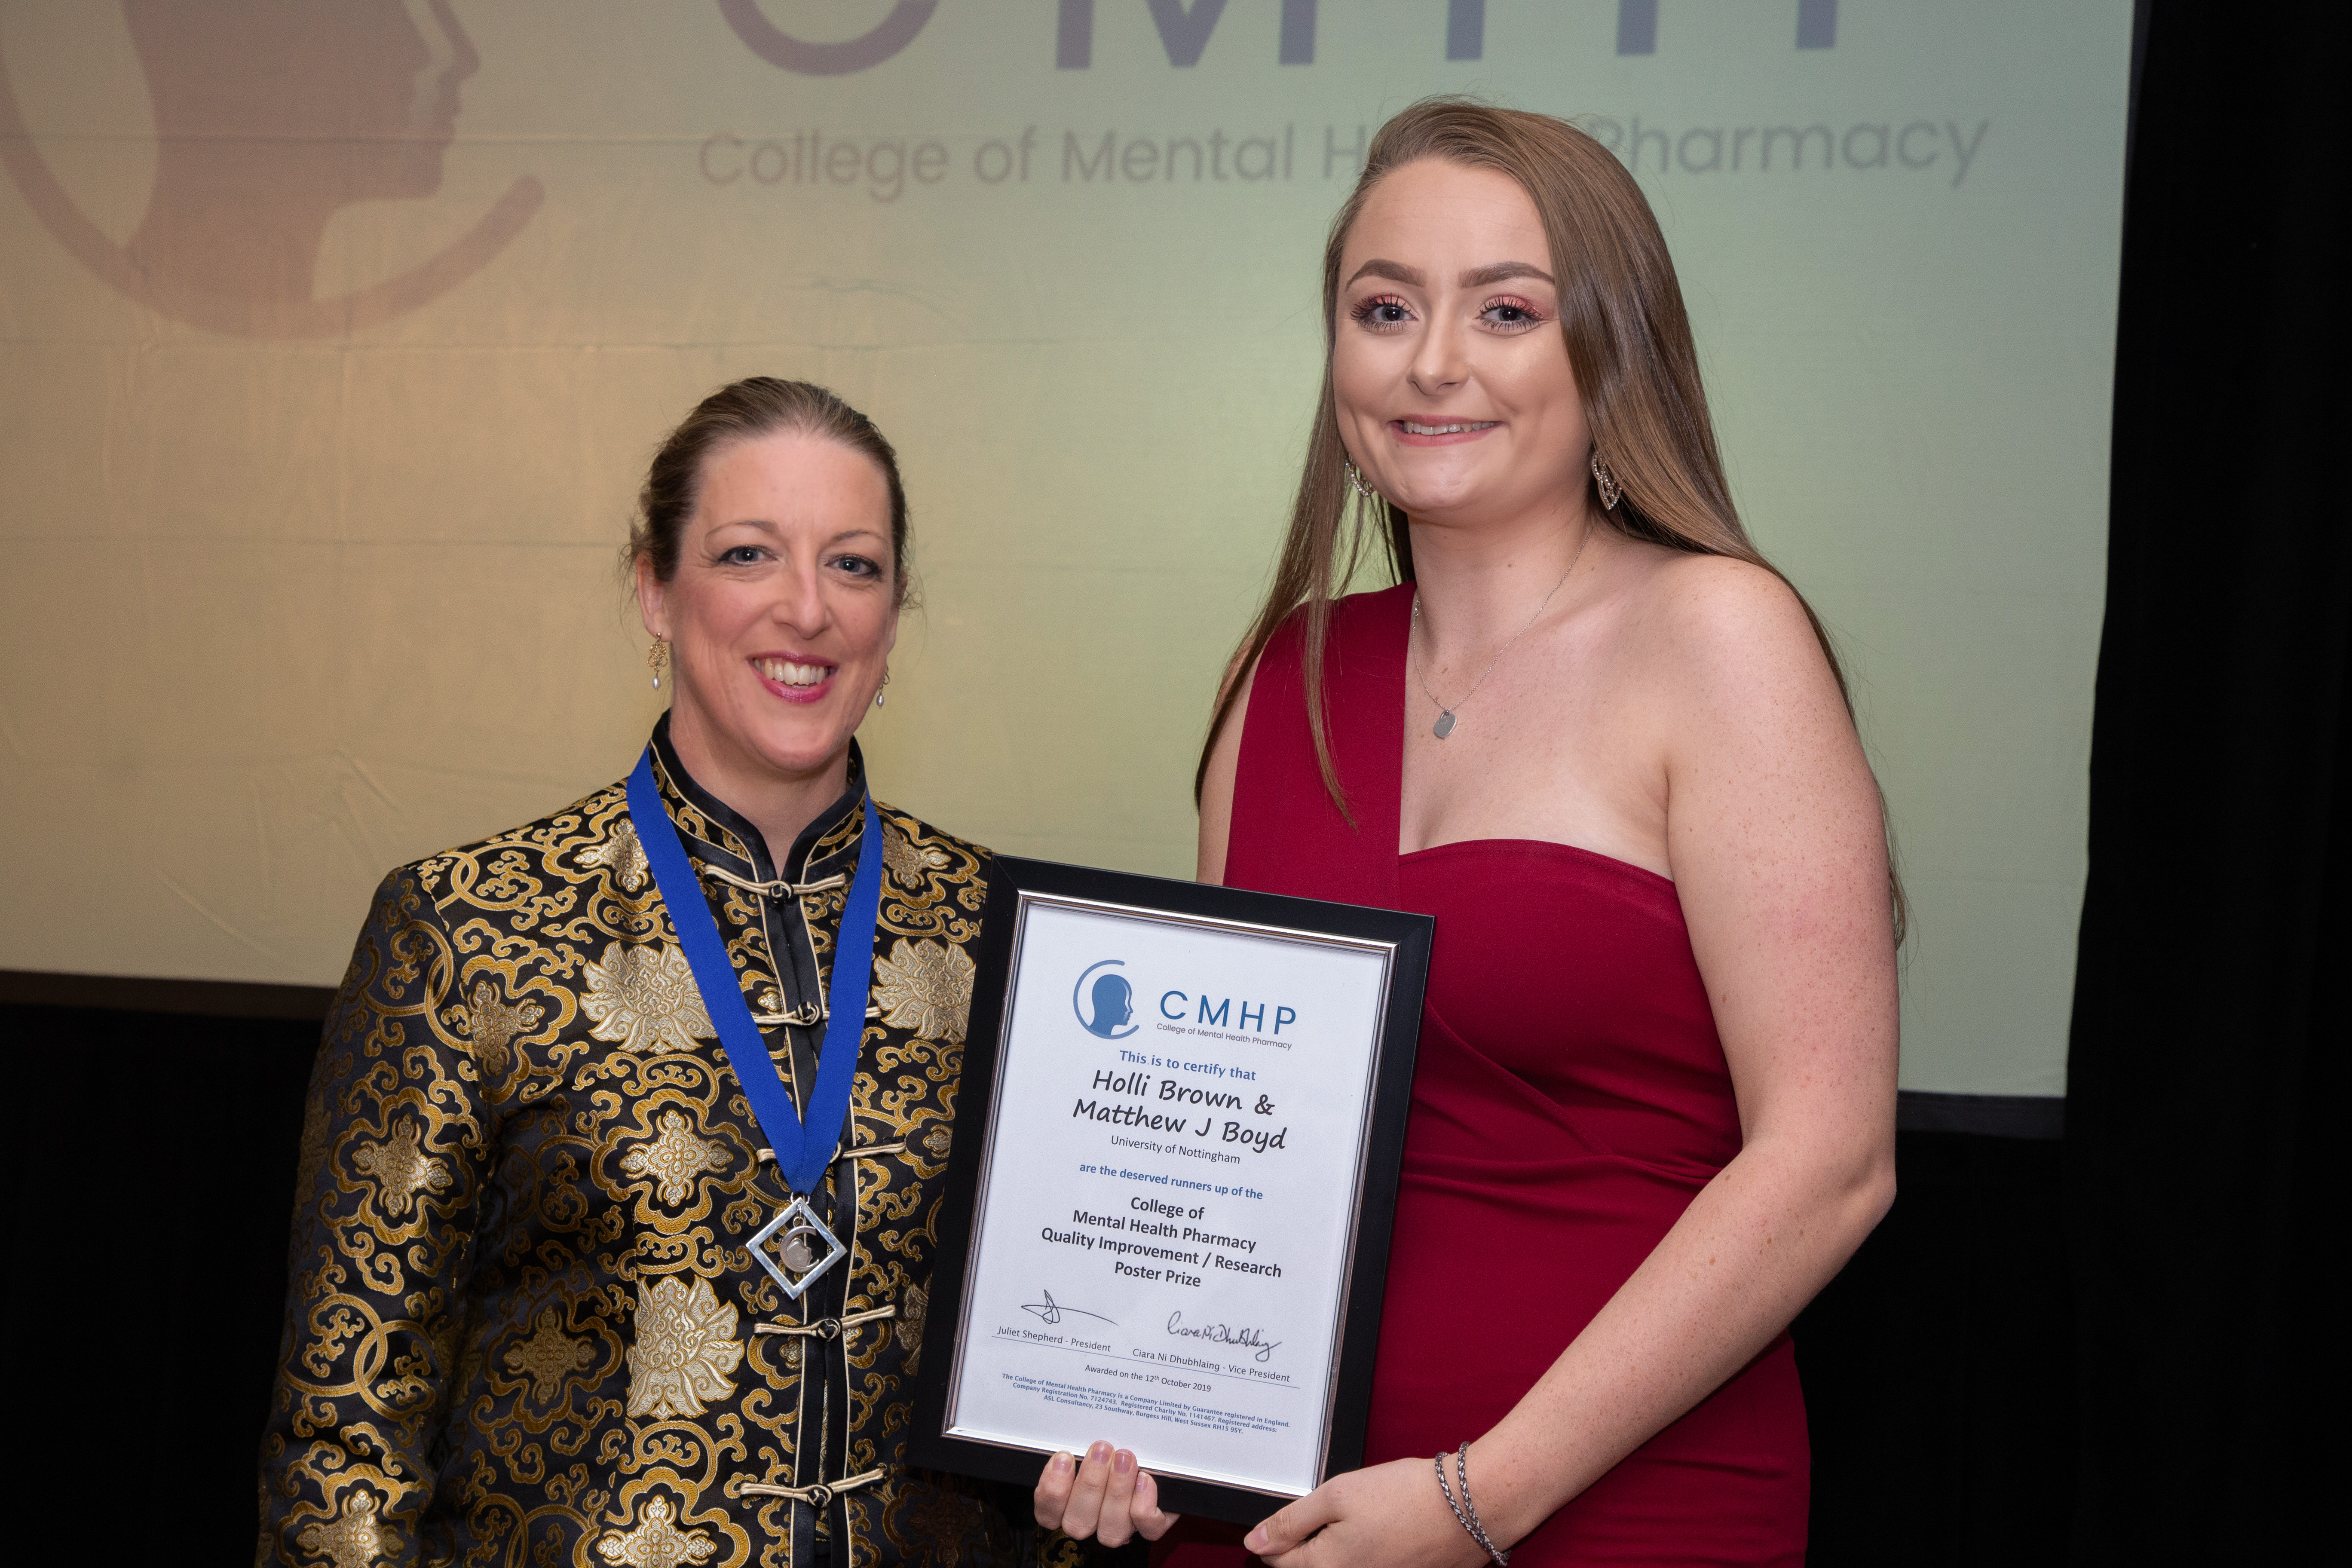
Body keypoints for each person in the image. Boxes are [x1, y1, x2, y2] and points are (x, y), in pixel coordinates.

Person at [1035, 99, 1900, 1565]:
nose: (1432, 360)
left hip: (1623, 1510)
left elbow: (1830, 1162)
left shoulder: (1720, 635)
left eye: (1506, 310)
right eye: (1386, 309)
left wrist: (1479, 1497)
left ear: (1609, 350)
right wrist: (1125, 1419)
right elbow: (1215, 1151)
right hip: (1279, 1523)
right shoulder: (1283, 676)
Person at [257, 379, 1102, 1566]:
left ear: (895, 611)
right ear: (655, 588)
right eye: (749, 554)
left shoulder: (1001, 938)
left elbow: (1061, 1378)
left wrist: (1102, 1483)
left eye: (854, 566)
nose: (807, 608)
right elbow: (345, 1442)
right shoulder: (466, 931)